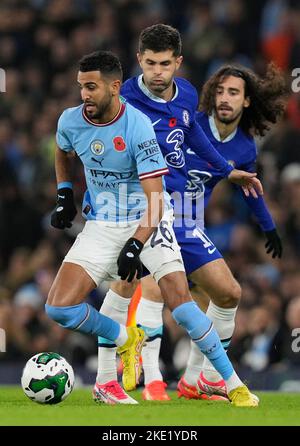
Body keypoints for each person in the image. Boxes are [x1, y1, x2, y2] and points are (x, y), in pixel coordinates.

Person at [94, 25, 262, 404]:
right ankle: (117, 378)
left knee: (228, 292)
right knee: (135, 282)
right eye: (150, 63)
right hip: (136, 206)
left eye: (165, 64)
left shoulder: (186, 94)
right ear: (138, 60)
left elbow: (194, 138)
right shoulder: (121, 100)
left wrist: (227, 170)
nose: (157, 72)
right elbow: (96, 148)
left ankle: (196, 379)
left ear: (178, 63)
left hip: (179, 211)